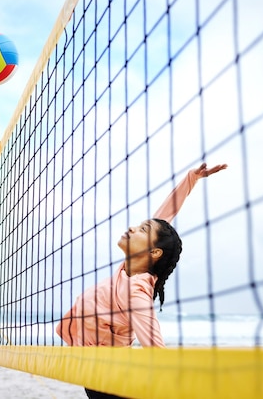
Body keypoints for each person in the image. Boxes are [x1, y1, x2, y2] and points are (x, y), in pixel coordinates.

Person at [56, 162, 227, 399]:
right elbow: (163, 218)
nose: (132, 228)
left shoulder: (135, 290)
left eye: (141, 230)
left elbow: (153, 342)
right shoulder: (132, 268)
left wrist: (174, 380)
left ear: (154, 252)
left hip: (110, 377)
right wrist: (190, 179)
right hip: (100, 372)